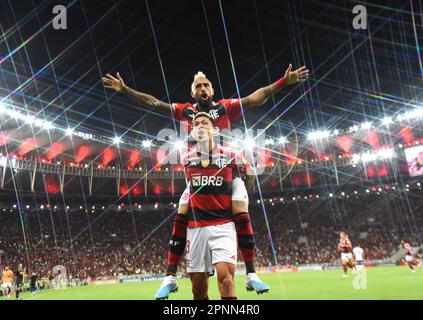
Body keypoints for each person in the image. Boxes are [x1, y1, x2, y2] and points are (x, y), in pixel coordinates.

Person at [104, 66, 309, 298]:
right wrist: (125, 89)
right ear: (193, 93)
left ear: (211, 89)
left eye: (206, 85)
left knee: (240, 200)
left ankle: (251, 273)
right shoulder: (188, 111)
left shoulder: (224, 107)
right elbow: (153, 104)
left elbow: (254, 98)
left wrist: (282, 82)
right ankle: (170, 276)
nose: (203, 88)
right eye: (198, 86)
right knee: (182, 210)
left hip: (227, 169)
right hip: (198, 169)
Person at [167, 112, 254, 299]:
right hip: (197, 228)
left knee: (227, 281)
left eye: (204, 123)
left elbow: (250, 174)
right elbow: (191, 186)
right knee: (198, 290)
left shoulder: (232, 154)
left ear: (215, 130)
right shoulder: (187, 159)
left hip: (223, 224)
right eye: (196, 123)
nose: (200, 126)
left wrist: (240, 195)